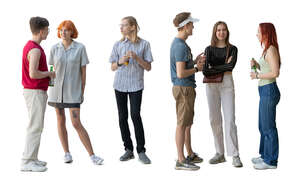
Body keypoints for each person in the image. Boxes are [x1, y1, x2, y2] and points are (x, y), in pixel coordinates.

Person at [48, 20, 103, 165]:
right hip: (56, 92)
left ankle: (92, 155)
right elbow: (52, 69)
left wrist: (82, 91)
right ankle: (66, 153)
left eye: (66, 30)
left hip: (73, 92)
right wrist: (51, 87)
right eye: (61, 30)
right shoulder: (54, 48)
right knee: (60, 120)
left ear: (72, 32)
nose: (63, 32)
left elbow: (83, 73)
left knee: (76, 122)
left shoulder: (80, 48)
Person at [109, 16, 153, 164]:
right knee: (122, 117)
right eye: (120, 25)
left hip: (136, 85)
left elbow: (148, 67)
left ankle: (141, 151)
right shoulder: (118, 44)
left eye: (124, 25)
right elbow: (112, 67)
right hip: (120, 85)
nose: (121, 28)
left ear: (133, 27)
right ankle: (128, 149)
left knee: (135, 115)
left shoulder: (144, 44)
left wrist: (137, 58)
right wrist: (121, 61)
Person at [202, 21, 243, 167]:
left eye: (224, 30)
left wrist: (215, 67)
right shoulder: (209, 49)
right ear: (215, 32)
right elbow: (206, 71)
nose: (221, 32)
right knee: (214, 119)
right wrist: (224, 67)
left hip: (227, 84)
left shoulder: (233, 49)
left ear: (227, 32)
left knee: (230, 119)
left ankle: (235, 154)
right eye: (218, 30)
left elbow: (231, 67)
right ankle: (219, 153)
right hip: (211, 85)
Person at [170, 12, 205, 171]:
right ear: (185, 26)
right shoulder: (179, 45)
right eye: (191, 25)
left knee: (187, 124)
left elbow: (184, 66)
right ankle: (180, 159)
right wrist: (197, 68)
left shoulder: (182, 45)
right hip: (183, 88)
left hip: (187, 88)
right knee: (182, 124)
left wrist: (193, 60)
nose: (193, 27)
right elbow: (180, 73)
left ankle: (189, 153)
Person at [21, 16, 55, 172]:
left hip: (34, 91)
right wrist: (49, 74)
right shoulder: (34, 49)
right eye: (47, 29)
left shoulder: (32, 46)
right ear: (41, 31)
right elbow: (33, 73)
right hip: (34, 91)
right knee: (35, 126)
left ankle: (33, 158)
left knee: (37, 126)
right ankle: (27, 161)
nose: (48, 32)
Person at [250, 23, 281, 170]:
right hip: (264, 90)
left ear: (266, 33)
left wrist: (257, 75)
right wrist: (257, 64)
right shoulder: (266, 50)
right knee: (262, 126)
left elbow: (275, 73)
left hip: (269, 90)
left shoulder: (271, 50)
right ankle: (264, 155)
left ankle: (271, 161)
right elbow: (267, 69)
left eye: (258, 32)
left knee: (269, 127)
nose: (257, 34)